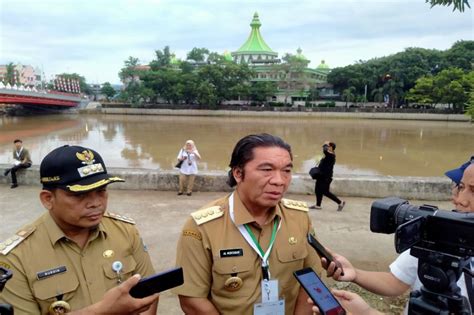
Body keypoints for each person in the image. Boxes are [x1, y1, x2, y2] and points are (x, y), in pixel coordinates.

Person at [0, 145, 159, 314]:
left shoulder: (125, 231)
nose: (96, 203)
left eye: (101, 191)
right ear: (48, 199)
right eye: (79, 195)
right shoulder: (15, 258)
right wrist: (102, 311)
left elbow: (150, 294)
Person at [174, 133, 321, 314]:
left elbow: (311, 281)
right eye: (267, 170)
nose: (279, 180)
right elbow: (192, 299)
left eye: (287, 170)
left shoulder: (299, 217)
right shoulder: (201, 227)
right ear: (238, 173)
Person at [320, 157, 474, 314]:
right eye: (460, 187)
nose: (461, 200)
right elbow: (396, 281)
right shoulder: (435, 235)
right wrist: (355, 275)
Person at [309, 141, 345, 211]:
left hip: (326, 177)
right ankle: (318, 205)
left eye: (328, 146)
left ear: (331, 147)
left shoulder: (331, 155)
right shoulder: (329, 154)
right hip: (321, 176)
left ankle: (340, 202)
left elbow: (324, 149)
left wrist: (326, 143)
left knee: (325, 192)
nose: (326, 147)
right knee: (317, 190)